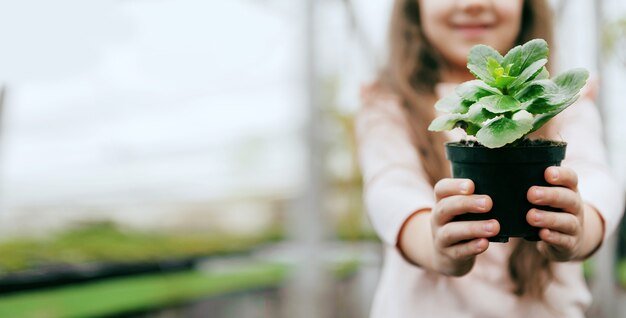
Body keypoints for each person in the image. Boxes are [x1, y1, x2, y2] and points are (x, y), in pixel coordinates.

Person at [355, 0, 625, 317]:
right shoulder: (389, 104)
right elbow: (390, 190)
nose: (473, 4)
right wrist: (435, 244)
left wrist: (581, 227)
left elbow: (596, 180)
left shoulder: (562, 102)